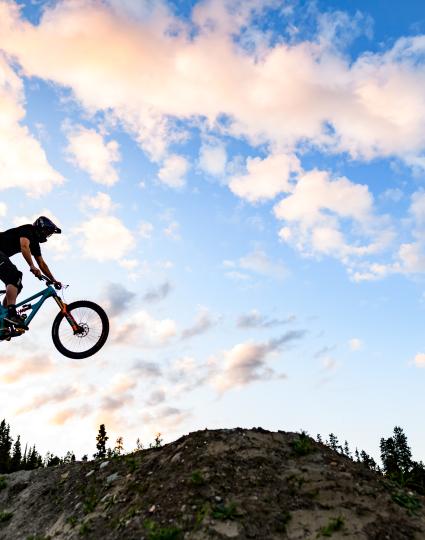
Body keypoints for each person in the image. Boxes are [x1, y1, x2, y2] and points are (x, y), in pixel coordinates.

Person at [0, 216, 62, 327]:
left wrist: (54, 280)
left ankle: (3, 319)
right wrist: (32, 266)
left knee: (17, 284)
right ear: (41, 228)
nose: (47, 235)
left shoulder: (35, 244)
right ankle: (11, 315)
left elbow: (42, 264)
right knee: (14, 276)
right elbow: (24, 246)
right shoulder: (28, 229)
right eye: (47, 232)